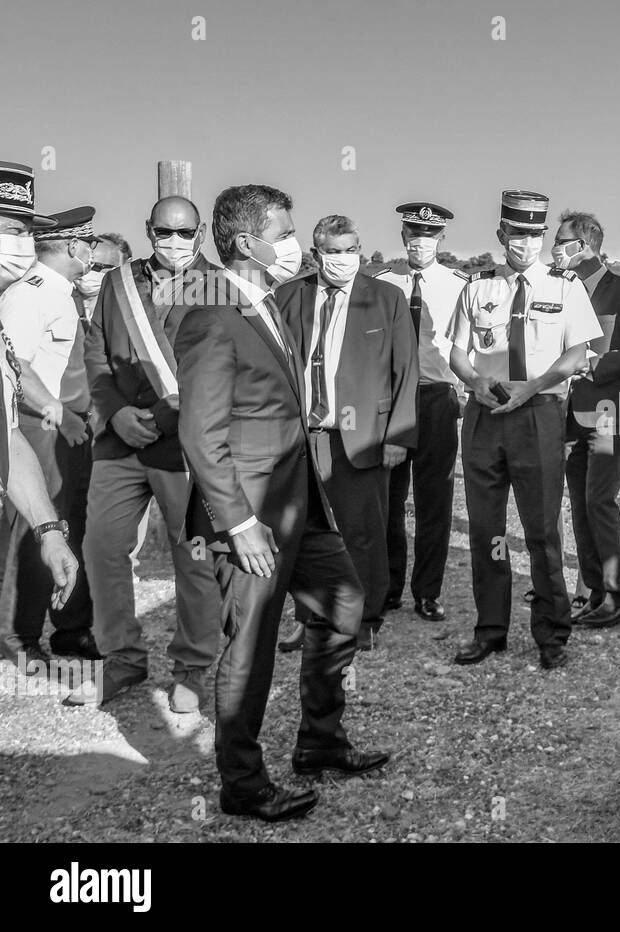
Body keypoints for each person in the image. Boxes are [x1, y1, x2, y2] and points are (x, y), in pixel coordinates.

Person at [176, 184, 387, 822]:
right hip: (251, 514)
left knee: (343, 604)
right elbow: (201, 433)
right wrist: (237, 523)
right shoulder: (212, 317)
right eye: (285, 231)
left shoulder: (264, 304)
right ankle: (242, 784)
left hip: (299, 503)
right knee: (252, 645)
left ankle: (318, 742)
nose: (294, 243)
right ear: (247, 242)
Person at [70, 196, 223, 711]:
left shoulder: (220, 286)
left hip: (182, 443)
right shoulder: (118, 283)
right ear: (148, 230)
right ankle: (122, 659)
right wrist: (114, 412)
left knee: (193, 554)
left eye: (184, 233)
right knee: (103, 548)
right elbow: (96, 351)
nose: (174, 242)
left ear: (199, 234)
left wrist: (156, 419)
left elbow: (216, 368)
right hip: (120, 440)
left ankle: (195, 665)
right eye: (164, 232)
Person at [448, 190, 602, 671]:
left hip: (539, 413)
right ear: (501, 235)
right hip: (485, 416)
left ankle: (552, 633)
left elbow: (577, 354)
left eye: (535, 233)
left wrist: (531, 387)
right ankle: (490, 631)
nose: (527, 242)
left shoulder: (566, 286)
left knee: (541, 531)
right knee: (486, 531)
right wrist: (476, 381)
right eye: (517, 233)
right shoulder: (477, 287)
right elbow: (456, 352)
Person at [277, 215, 417, 653]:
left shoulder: (387, 297)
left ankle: (364, 618)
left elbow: (405, 370)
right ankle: (308, 617)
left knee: (362, 532)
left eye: (350, 249)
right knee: (302, 532)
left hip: (362, 435)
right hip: (303, 436)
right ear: (316, 253)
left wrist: (399, 435)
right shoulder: (289, 295)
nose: (343, 259)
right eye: (333, 251)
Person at [0, 206, 100, 667]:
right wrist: (60, 415)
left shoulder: (63, 293)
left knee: (68, 528)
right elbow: (14, 364)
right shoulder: (30, 293)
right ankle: (15, 635)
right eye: (90, 245)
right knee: (34, 529)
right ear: (75, 246)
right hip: (41, 431)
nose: (93, 254)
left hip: (69, 432)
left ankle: (69, 629)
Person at [374, 202, 466, 628]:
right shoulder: (380, 283)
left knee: (435, 502)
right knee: (388, 500)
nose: (420, 241)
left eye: (428, 235)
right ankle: (389, 585)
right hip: (391, 400)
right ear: (402, 236)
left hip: (436, 396)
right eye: (413, 232)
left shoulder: (459, 285)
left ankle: (427, 591)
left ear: (440, 239)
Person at [553, 210, 620, 629]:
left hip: (608, 412)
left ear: (585, 247)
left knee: (599, 500)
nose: (555, 248)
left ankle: (618, 595)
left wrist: (595, 364)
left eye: (561, 240)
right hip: (567, 415)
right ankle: (593, 591)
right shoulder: (557, 291)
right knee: (578, 503)